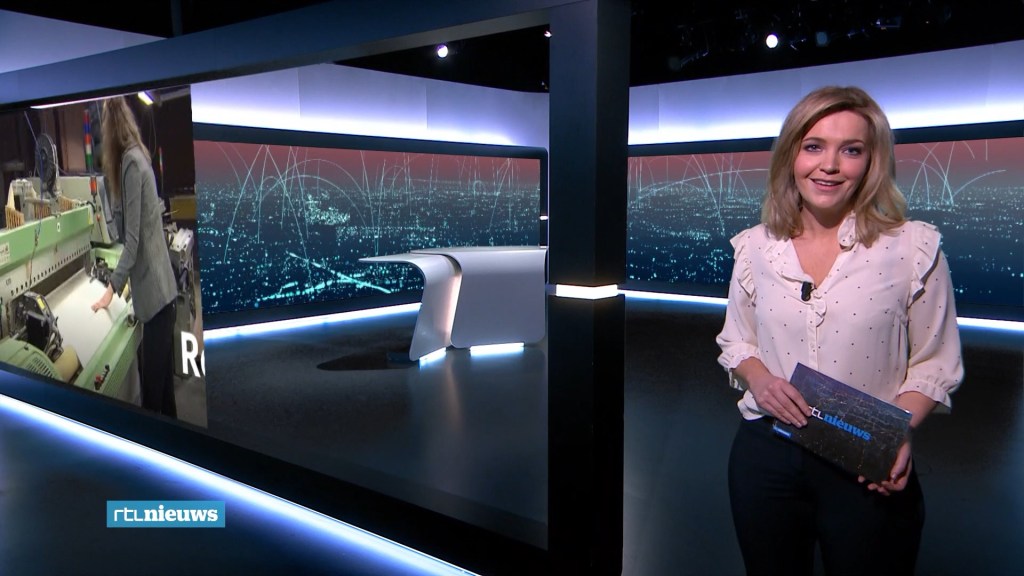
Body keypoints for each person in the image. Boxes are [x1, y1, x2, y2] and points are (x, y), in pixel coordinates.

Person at [715, 86, 963, 576]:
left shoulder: (912, 248)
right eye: (813, 147)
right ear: (791, 156)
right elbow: (737, 340)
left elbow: (935, 362)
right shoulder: (756, 247)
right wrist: (760, 381)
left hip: (865, 454)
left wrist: (891, 432)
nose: (829, 165)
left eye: (850, 150)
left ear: (871, 162)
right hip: (766, 453)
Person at [91, 96, 179, 418]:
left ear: (110, 129)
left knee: (151, 403)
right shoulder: (140, 155)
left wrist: (110, 290)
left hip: (155, 303)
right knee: (165, 398)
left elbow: (132, 241)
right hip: (164, 296)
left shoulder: (129, 163)